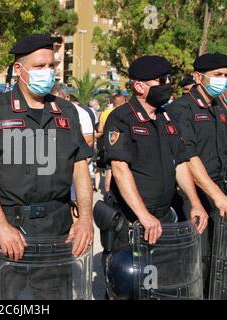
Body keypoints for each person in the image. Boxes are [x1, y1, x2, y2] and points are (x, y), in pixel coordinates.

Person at [0, 34, 94, 299]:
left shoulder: (66, 112)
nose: (48, 73)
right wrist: (1, 226)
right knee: (1, 297)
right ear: (19, 69)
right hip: (10, 227)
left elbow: (80, 166)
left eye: (51, 66)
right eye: (39, 66)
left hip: (55, 227)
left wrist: (84, 219)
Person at [101, 56, 208, 293]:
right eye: (161, 80)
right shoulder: (121, 118)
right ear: (139, 87)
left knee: (163, 285)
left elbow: (179, 163)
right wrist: (144, 215)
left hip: (165, 220)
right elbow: (120, 169)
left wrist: (195, 203)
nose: (168, 84)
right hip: (133, 223)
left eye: (169, 79)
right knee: (131, 288)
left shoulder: (165, 117)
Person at [166, 52, 227, 297]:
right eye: (218, 75)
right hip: (196, 196)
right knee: (197, 264)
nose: (223, 80)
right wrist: (216, 195)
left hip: (220, 195)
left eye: (226, 75)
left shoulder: (220, 106)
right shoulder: (181, 108)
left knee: (220, 262)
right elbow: (188, 158)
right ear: (198, 77)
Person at [97, 94, 127, 193]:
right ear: (123, 102)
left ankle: (107, 192)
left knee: (109, 169)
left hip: (107, 143)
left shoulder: (105, 113)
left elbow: (100, 129)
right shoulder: (124, 113)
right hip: (121, 144)